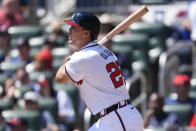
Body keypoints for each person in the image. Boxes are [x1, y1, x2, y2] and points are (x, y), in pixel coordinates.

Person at [55, 11, 143, 131]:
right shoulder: (105, 52)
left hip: (117, 119)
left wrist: (70, 59)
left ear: (86, 33)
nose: (68, 30)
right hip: (117, 117)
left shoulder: (83, 57)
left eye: (74, 27)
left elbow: (59, 78)